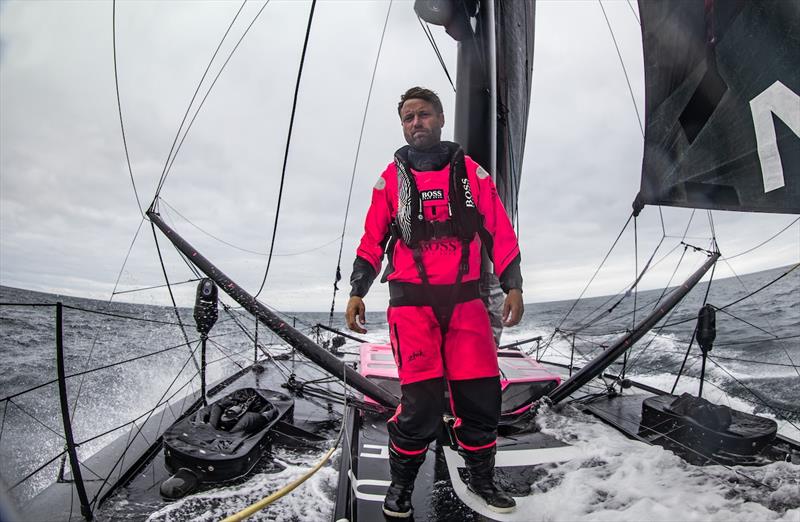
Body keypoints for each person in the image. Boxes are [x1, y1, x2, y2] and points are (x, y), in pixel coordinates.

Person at [345, 86, 523, 518]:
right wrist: (357, 290)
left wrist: (513, 283)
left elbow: (498, 228)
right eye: (408, 117)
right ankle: (401, 487)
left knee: (481, 399)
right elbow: (373, 240)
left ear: (440, 118)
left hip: (466, 305)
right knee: (421, 405)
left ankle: (481, 479)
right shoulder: (390, 180)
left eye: (423, 114)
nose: (415, 122)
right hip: (412, 306)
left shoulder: (472, 174)